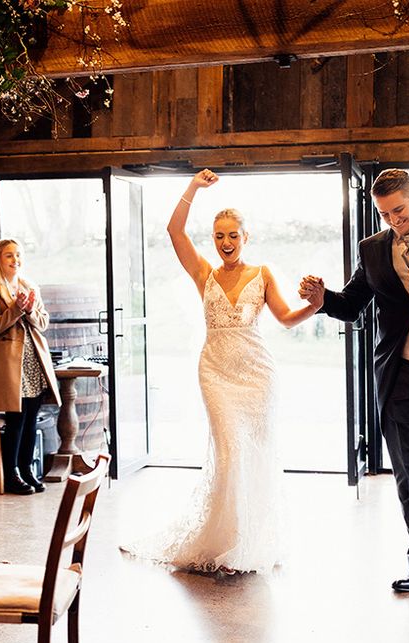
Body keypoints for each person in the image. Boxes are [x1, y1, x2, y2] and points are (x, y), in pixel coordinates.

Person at [121, 169, 321, 575]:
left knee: (253, 456)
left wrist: (315, 306)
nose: (226, 242)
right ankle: (227, 545)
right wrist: (194, 187)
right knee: (229, 454)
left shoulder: (262, 274)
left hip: (257, 374)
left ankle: (249, 542)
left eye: (233, 235)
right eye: (219, 236)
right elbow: (174, 230)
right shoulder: (204, 274)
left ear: (246, 238)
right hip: (215, 372)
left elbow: (285, 318)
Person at [300, 168, 409, 593]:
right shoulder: (371, 250)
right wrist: (323, 301)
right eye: (385, 214)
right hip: (398, 372)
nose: (394, 220)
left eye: (400, 210)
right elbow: (352, 304)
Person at [0, 239, 61, 495]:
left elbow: (43, 322)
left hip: (34, 360)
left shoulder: (30, 287)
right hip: (10, 364)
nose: (15, 260)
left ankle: (27, 469)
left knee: (31, 418)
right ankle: (12, 474)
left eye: (18, 255)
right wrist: (16, 310)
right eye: (9, 255)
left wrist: (29, 310)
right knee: (15, 420)